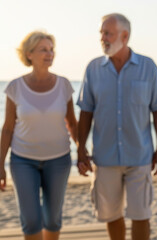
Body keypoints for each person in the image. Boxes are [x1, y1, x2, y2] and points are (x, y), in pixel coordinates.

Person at [76, 13, 157, 240]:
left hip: (140, 156)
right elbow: (86, 113)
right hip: (105, 158)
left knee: (141, 215)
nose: (103, 38)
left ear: (124, 36)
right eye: (101, 33)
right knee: (111, 215)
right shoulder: (93, 69)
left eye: (108, 33)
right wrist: (80, 149)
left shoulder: (148, 67)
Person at [0, 31, 77, 240]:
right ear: (29, 54)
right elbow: (7, 128)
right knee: (31, 219)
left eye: (51, 49)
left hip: (59, 160)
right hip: (23, 161)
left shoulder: (64, 85)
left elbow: (71, 122)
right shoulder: (15, 87)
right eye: (44, 49)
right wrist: (0, 165)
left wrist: (83, 151)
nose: (49, 53)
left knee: (53, 218)